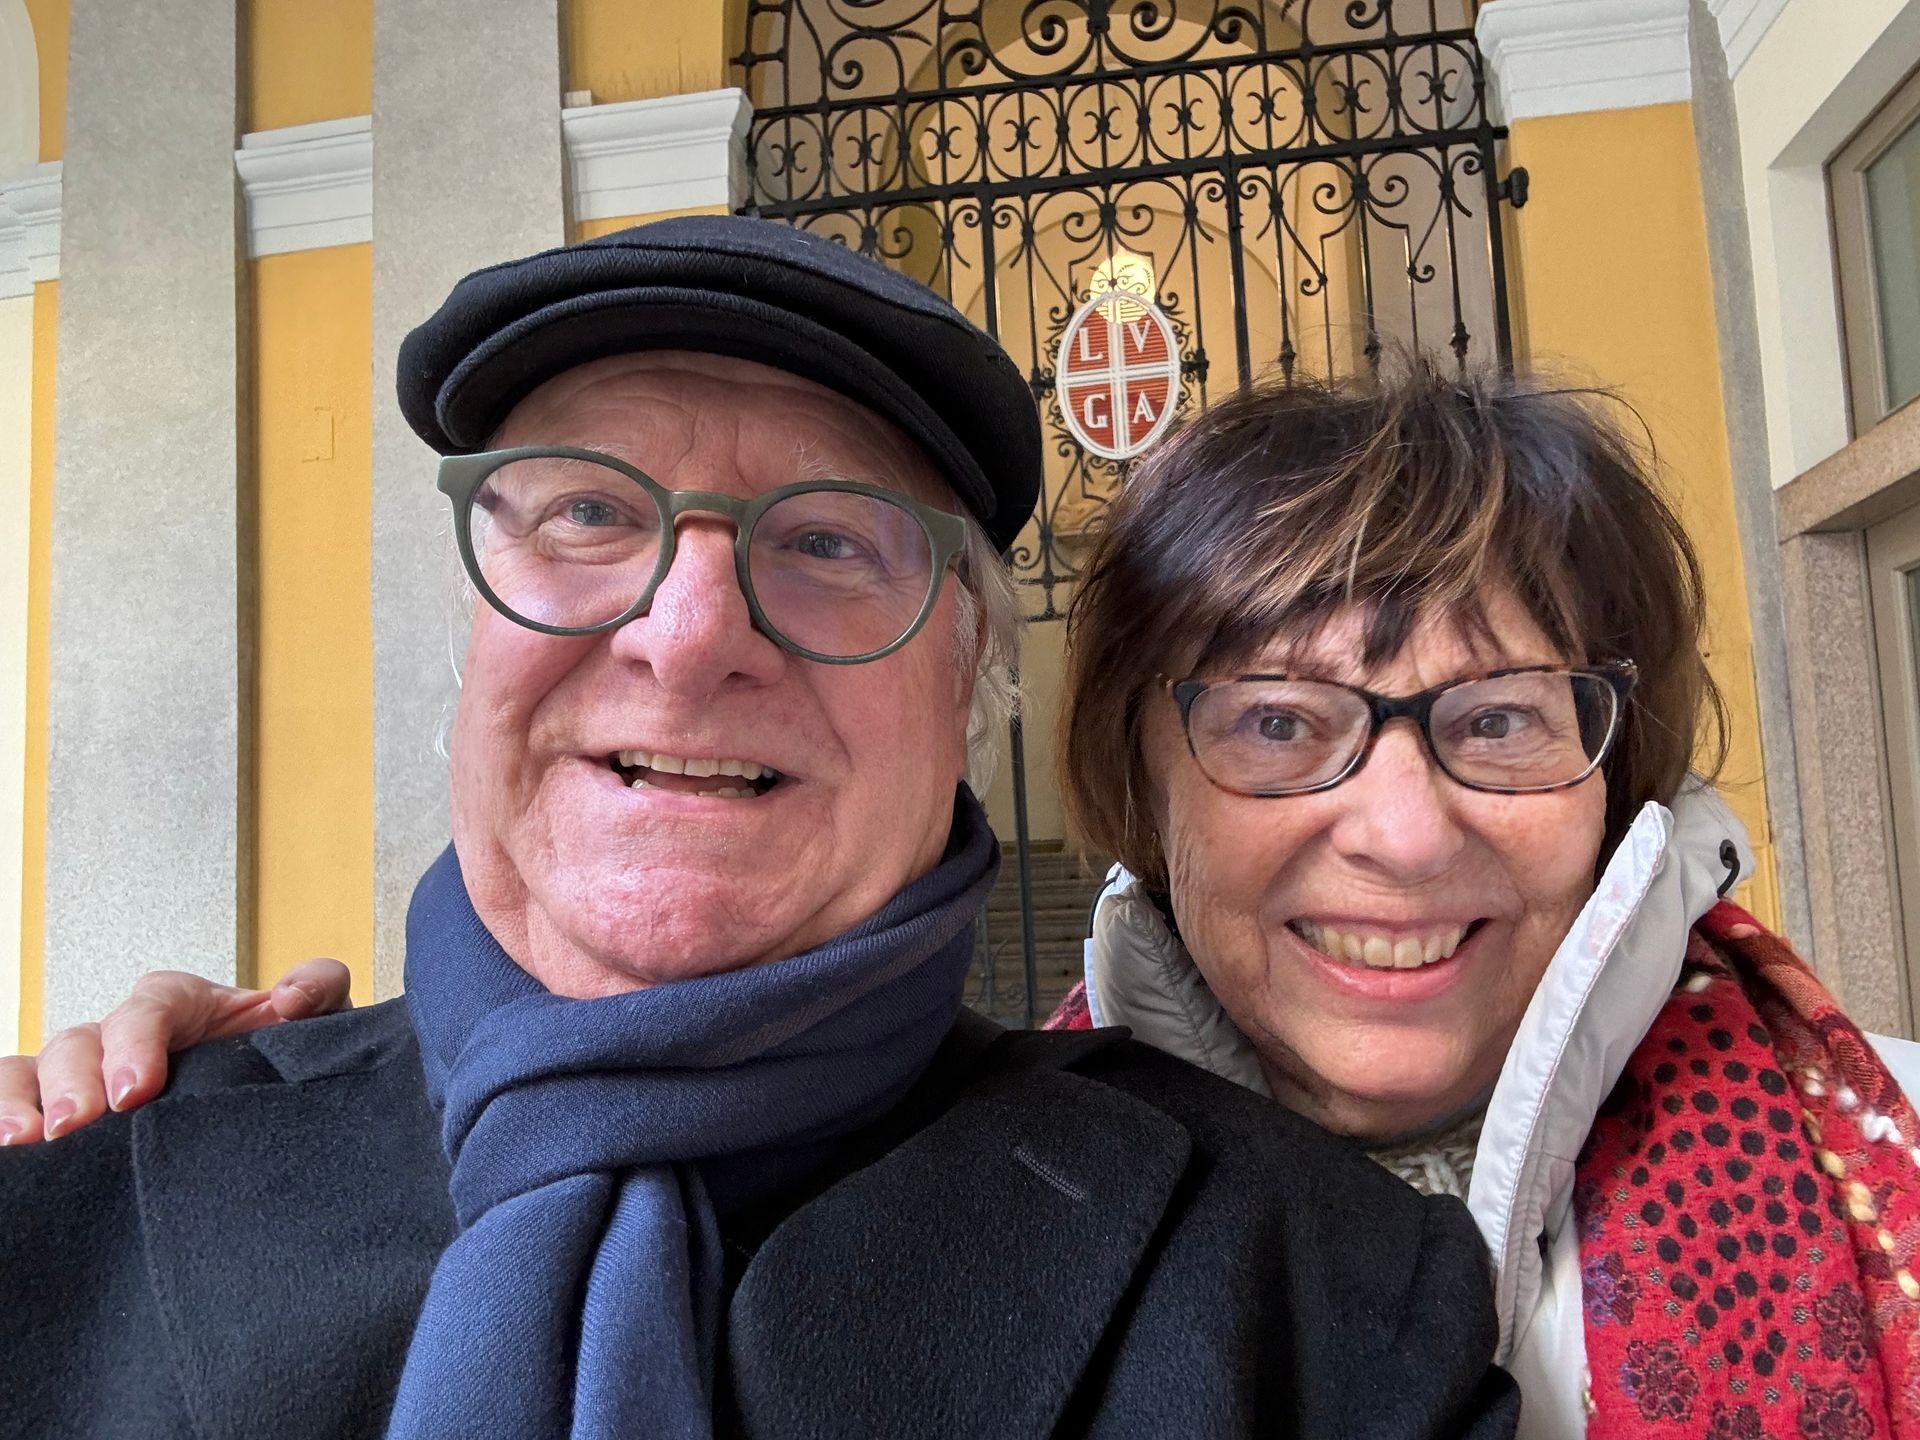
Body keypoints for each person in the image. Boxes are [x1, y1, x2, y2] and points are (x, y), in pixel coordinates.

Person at [0, 219, 1518, 1440]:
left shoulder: (1325, 1303)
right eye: (591, 513)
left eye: (829, 540)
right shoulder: (64, 1196)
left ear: (971, 688)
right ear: (474, 630)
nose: (688, 634)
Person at [1049, 367, 1920, 1437]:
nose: (1406, 837)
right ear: (1141, 782)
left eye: (1500, 721)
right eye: (1277, 723)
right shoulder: (968, 1233)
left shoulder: (1905, 1144)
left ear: (1617, 777)